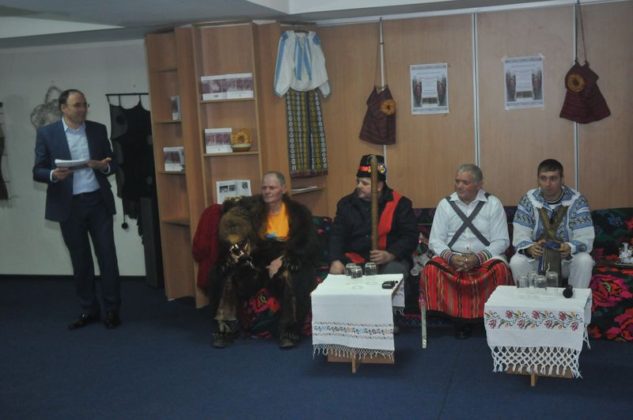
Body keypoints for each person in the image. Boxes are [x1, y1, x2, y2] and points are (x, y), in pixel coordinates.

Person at [33, 89, 121, 329]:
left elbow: (111, 163)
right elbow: (38, 170)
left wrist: (103, 166)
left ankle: (112, 310)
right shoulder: (47, 134)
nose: (82, 109)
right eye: (77, 105)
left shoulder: (97, 130)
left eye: (84, 105)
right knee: (80, 261)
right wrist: (53, 174)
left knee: (107, 257)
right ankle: (89, 310)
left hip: (98, 203)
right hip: (69, 206)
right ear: (63, 108)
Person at [209, 171, 320, 349]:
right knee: (227, 273)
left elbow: (307, 243)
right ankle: (225, 329)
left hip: (287, 255)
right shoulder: (251, 208)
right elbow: (232, 221)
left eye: (272, 188)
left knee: (292, 276)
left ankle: (289, 331)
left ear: (283, 189)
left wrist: (283, 259)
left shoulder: (299, 213)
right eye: (264, 188)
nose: (267, 191)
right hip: (259, 257)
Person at [421, 164, 511, 339]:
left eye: (465, 182)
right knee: (431, 270)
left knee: (500, 270)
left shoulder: (493, 204)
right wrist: (451, 257)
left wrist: (478, 258)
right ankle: (458, 321)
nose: (459, 186)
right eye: (457, 182)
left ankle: (492, 319)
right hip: (453, 257)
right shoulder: (445, 205)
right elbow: (435, 240)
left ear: (479, 184)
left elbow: (502, 241)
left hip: (485, 258)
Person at [329, 154, 418, 280]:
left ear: (379, 186)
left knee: (393, 273)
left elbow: (410, 236)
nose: (359, 186)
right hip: (355, 259)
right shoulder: (346, 204)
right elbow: (336, 236)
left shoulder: (401, 204)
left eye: (364, 183)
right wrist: (336, 260)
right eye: (358, 182)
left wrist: (390, 254)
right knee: (336, 273)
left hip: (389, 260)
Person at [510, 159, 595, 288]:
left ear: (562, 180)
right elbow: (520, 234)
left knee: (584, 260)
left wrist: (570, 247)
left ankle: (575, 299)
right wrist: (530, 248)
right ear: (538, 180)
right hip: (538, 259)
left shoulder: (577, 201)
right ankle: (530, 299)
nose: (548, 184)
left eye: (553, 178)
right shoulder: (528, 200)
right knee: (516, 261)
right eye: (543, 178)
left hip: (565, 260)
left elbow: (585, 236)